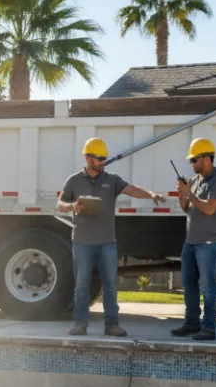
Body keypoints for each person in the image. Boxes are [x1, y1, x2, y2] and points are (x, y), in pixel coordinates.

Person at [57, 138, 166, 337]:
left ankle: (112, 325)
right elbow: (60, 205)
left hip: (107, 242)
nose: (102, 162)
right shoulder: (74, 181)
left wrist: (150, 194)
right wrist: (72, 207)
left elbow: (131, 189)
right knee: (81, 284)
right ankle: (80, 324)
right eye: (98, 158)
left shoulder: (112, 180)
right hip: (82, 242)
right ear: (87, 157)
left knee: (110, 284)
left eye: (104, 159)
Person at [172, 137, 216, 341]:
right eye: (191, 161)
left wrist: (191, 195)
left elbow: (210, 208)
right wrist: (182, 195)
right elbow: (186, 209)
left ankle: (209, 328)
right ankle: (191, 324)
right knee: (188, 284)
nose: (192, 164)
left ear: (206, 159)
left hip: (209, 243)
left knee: (207, 285)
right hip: (191, 242)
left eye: (194, 160)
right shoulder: (195, 181)